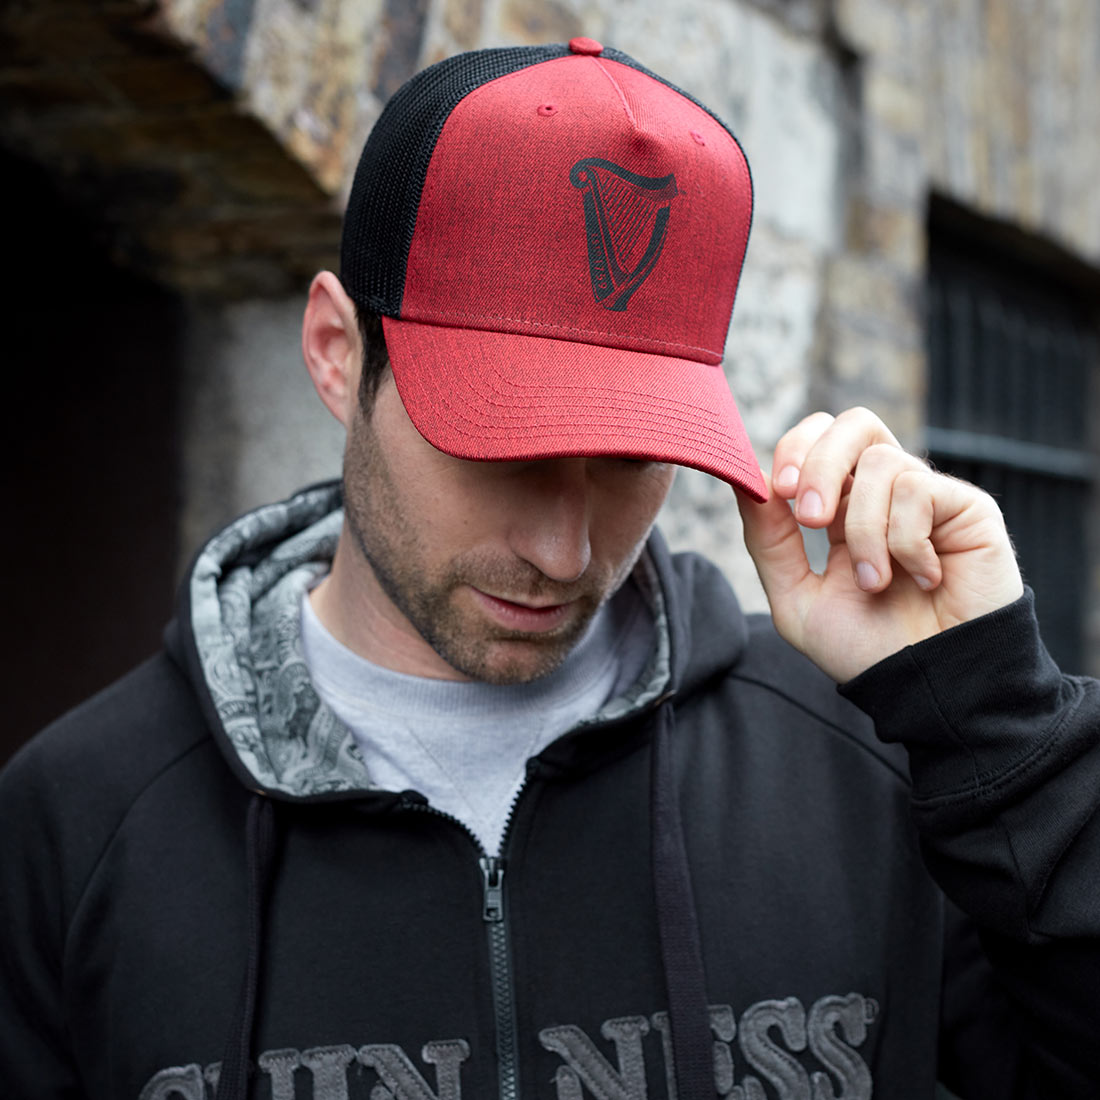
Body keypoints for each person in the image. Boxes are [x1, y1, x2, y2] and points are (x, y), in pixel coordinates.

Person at [1, 38, 1097, 1100]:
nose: (564, 552)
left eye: (629, 457)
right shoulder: (73, 825)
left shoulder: (862, 765)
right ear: (339, 353)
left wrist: (994, 723)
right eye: (497, 445)